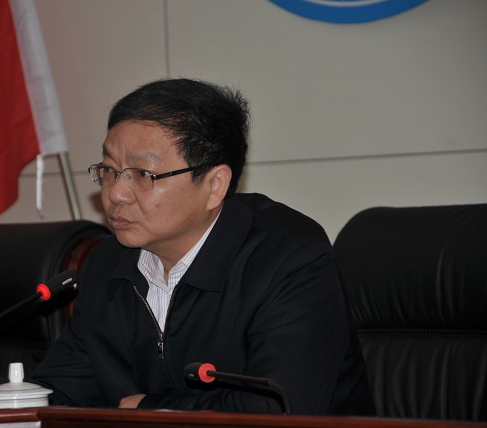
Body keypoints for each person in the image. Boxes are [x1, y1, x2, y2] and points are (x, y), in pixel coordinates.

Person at [28, 78, 375, 415]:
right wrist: (7, 398)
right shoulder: (108, 264)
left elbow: (280, 409)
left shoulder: (290, 258)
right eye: (109, 170)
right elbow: (62, 391)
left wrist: (149, 410)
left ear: (214, 185)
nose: (116, 193)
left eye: (142, 174)